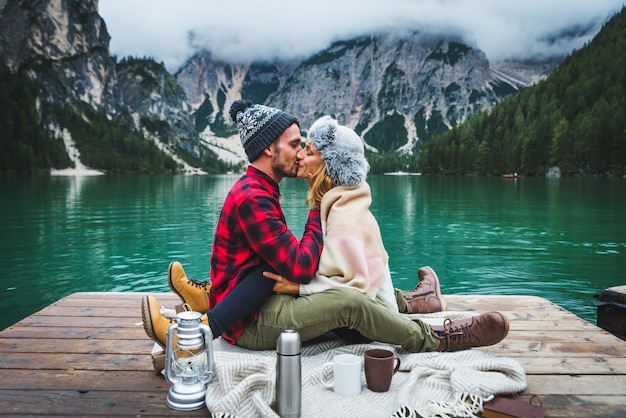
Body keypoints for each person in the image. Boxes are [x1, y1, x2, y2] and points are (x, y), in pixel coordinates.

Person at [142, 102, 509, 353]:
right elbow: (300, 266)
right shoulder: (253, 198)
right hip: (248, 323)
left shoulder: (262, 189)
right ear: (270, 149)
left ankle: (413, 302)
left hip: (256, 300)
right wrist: (318, 209)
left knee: (349, 284)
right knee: (347, 303)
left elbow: (295, 266)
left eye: (305, 146)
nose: (300, 152)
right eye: (294, 144)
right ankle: (440, 337)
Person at [266, 115, 446, 315]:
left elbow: (354, 290)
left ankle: (424, 307)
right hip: (365, 311)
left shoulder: (344, 215)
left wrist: (298, 288)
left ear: (329, 166)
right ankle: (422, 299)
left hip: (368, 322)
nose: (299, 155)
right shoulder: (339, 202)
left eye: (309, 152)